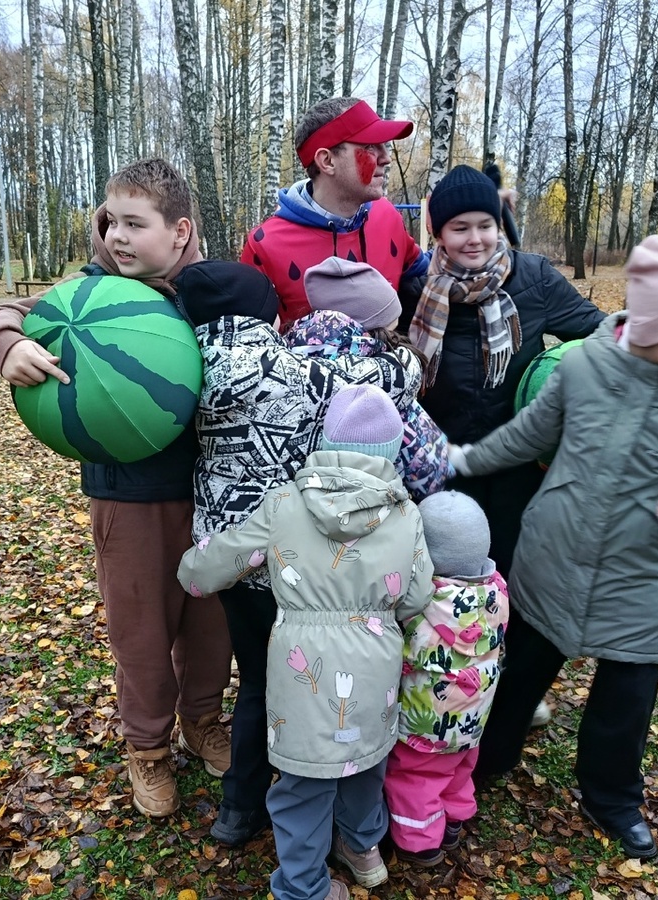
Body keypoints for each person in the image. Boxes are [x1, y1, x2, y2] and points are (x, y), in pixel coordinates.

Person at [446, 234, 658, 859]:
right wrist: (466, 458)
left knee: (626, 697)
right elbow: (527, 435)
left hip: (643, 575)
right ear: (657, 328)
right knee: (520, 673)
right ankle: (486, 759)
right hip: (555, 555)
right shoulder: (583, 367)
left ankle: (612, 797)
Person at [0, 159, 232, 818]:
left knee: (210, 629)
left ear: (179, 232)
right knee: (141, 636)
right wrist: (7, 346)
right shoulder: (90, 291)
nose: (116, 236)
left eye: (133, 224)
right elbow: (6, 314)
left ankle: (203, 721)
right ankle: (147, 750)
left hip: (214, 497)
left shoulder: (209, 289)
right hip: (129, 498)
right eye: (110, 220)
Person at [172, 259, 423, 847]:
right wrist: (399, 351)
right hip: (296, 553)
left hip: (228, 551)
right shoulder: (282, 367)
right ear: (264, 313)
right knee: (282, 683)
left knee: (258, 680)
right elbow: (372, 392)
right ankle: (321, 803)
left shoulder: (187, 367)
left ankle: (239, 809)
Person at [178, 385, 435, 900]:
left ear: (325, 439)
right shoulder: (406, 516)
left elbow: (216, 563)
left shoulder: (284, 504)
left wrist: (192, 571)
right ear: (391, 452)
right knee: (365, 763)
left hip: (302, 670)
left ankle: (302, 886)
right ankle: (364, 852)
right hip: (375, 665)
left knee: (302, 781)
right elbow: (418, 593)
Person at [402, 163, 607, 735]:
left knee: (511, 577)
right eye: (459, 227)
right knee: (439, 581)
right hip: (439, 467)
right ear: (439, 234)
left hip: (518, 463)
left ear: (502, 223)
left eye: (486, 224)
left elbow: (596, 336)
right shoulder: (415, 286)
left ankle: (501, 682)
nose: (474, 239)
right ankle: (433, 684)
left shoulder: (535, 277)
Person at [384, 490, 508, 867]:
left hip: (425, 724)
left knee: (415, 777)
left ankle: (419, 842)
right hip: (472, 717)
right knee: (459, 766)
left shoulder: (421, 604)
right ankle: (453, 820)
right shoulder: (497, 593)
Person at [241, 97, 429, 326]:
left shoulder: (387, 215)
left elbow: (423, 270)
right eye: (370, 146)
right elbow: (251, 340)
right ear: (327, 161)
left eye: (384, 145)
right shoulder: (264, 245)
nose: (386, 158)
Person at [286, 257, 451, 501]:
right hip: (376, 505)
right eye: (393, 329)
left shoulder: (288, 353)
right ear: (374, 331)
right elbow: (428, 468)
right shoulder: (388, 381)